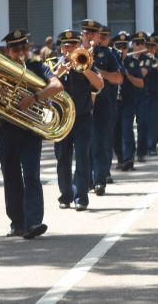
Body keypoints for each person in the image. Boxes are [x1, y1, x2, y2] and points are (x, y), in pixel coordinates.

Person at [0, 29, 63, 239]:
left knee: (32, 175)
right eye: (16, 49)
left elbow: (57, 85)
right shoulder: (0, 70)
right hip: (6, 129)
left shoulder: (36, 66)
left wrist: (35, 98)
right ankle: (17, 222)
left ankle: (34, 221)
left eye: (24, 47)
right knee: (12, 177)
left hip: (30, 131)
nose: (22, 52)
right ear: (9, 50)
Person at [52, 30, 104, 211]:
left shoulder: (86, 60)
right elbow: (41, 89)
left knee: (82, 156)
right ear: (60, 47)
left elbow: (99, 85)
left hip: (82, 119)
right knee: (62, 158)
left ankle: (80, 197)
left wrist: (85, 68)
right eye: (65, 45)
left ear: (78, 46)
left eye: (72, 45)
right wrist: (57, 73)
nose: (68, 48)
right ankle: (65, 195)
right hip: (61, 119)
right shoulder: (52, 65)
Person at [81, 20, 123, 197]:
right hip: (83, 106)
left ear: (98, 36)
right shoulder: (76, 54)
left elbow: (119, 78)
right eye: (87, 33)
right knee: (84, 146)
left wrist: (99, 72)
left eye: (93, 33)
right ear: (82, 35)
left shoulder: (107, 54)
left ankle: (99, 180)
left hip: (103, 104)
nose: (90, 36)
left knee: (100, 143)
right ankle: (87, 181)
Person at [118, 32, 146, 171]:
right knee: (114, 133)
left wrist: (128, 75)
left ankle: (128, 159)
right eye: (118, 46)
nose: (121, 50)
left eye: (123, 47)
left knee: (126, 130)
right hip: (112, 103)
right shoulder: (110, 61)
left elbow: (141, 83)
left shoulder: (133, 63)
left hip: (128, 102)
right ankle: (120, 158)